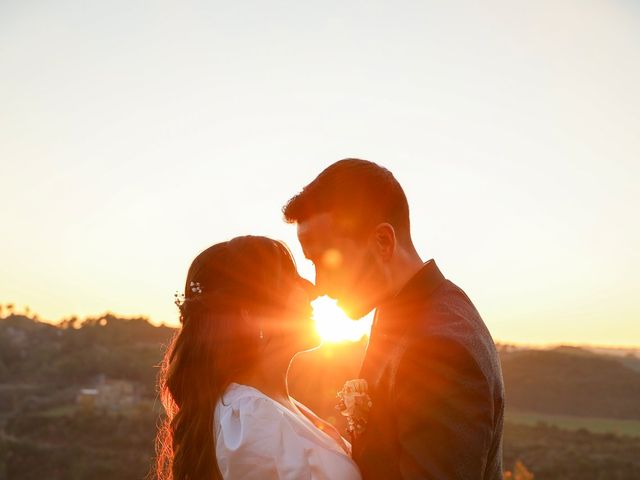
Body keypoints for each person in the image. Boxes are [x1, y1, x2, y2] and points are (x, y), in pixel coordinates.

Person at [283, 159, 505, 479]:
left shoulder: (439, 347)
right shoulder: (403, 309)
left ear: (383, 242)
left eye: (328, 260)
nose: (319, 284)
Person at [155, 236, 361, 480]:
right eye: (291, 279)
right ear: (252, 316)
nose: (310, 288)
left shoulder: (273, 407)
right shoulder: (251, 417)